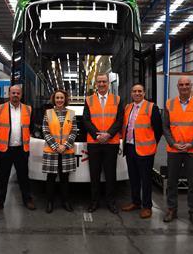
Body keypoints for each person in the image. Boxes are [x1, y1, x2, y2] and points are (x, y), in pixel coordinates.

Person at [162, 76, 193, 228]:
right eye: (181, 84)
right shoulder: (169, 103)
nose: (184, 87)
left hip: (192, 150)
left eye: (187, 84)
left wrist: (192, 144)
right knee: (172, 182)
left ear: (191, 86)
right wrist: (173, 143)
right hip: (174, 150)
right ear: (177, 86)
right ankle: (171, 210)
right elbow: (166, 127)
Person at [83, 72, 124, 214]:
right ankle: (94, 202)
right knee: (94, 175)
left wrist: (108, 134)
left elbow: (119, 120)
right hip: (94, 143)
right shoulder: (89, 100)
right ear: (96, 84)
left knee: (110, 174)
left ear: (108, 83)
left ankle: (111, 203)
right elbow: (86, 120)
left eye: (104, 82)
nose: (101, 84)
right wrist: (96, 135)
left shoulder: (117, 99)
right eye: (99, 82)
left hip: (111, 143)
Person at [0, 85, 36, 213]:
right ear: (9, 94)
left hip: (21, 150)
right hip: (5, 149)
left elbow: (31, 127)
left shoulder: (28, 109)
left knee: (23, 177)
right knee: (2, 177)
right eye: (13, 93)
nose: (15, 95)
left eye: (18, 93)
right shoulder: (0, 108)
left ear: (21, 95)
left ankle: (27, 200)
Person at [121, 83, 163, 218]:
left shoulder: (152, 107)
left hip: (145, 150)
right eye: (134, 91)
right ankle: (135, 202)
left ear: (144, 93)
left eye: (140, 91)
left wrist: (152, 145)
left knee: (146, 180)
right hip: (130, 148)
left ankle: (147, 206)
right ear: (131, 93)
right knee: (133, 178)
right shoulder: (128, 107)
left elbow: (158, 130)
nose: (137, 93)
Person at [42, 89, 78, 213]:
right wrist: (56, 146)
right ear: (54, 99)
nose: (59, 100)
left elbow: (74, 131)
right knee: (50, 178)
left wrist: (65, 146)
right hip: (52, 151)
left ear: (65, 99)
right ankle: (50, 202)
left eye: (61, 98)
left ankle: (65, 201)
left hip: (66, 152)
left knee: (64, 179)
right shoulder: (49, 113)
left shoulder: (71, 113)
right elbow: (45, 131)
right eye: (57, 98)